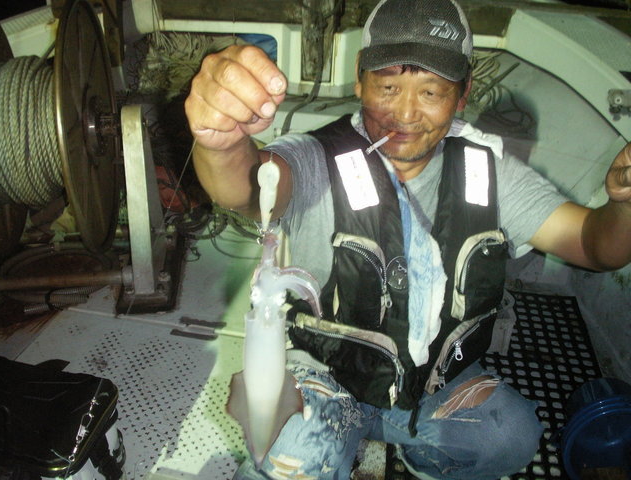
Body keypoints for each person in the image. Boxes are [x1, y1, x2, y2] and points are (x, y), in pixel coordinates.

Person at [185, 0, 631, 478]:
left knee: (509, 435)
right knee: (292, 454)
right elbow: (245, 188)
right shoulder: (315, 159)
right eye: (388, 87)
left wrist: (624, 204)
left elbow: (594, 246)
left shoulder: (488, 171)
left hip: (432, 381)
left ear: (463, 94)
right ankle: (324, 435)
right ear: (360, 80)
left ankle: (418, 454)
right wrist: (221, 143)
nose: (405, 113)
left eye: (432, 91)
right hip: (326, 373)